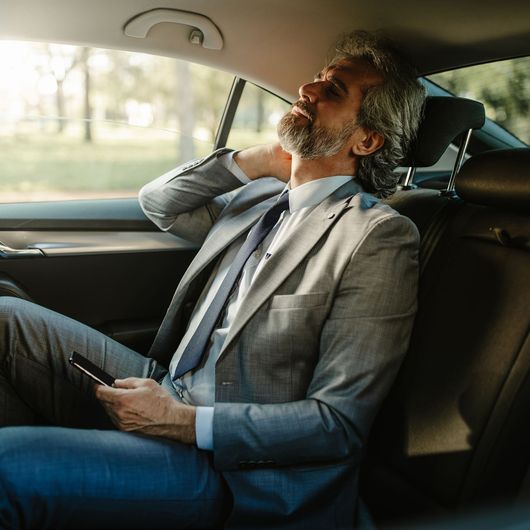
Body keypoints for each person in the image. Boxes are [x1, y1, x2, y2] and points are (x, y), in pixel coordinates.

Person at [0, 31, 425, 529]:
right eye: (319, 78)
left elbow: (337, 425)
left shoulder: (375, 236)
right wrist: (257, 160)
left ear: (366, 140)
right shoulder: (258, 200)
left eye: (333, 91)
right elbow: (158, 201)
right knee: (6, 319)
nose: (308, 88)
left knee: (8, 466)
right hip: (168, 386)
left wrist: (182, 422)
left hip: (236, 472)